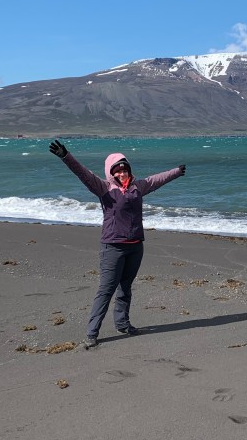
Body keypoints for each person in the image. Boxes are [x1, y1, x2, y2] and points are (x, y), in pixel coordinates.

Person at [49, 140, 186, 347]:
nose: (122, 173)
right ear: (111, 173)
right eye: (118, 171)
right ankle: (92, 332)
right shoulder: (103, 188)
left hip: (135, 246)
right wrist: (65, 156)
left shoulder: (138, 187)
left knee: (125, 287)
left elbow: (156, 180)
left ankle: (122, 323)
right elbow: (83, 173)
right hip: (113, 246)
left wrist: (176, 172)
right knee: (106, 289)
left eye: (125, 169)